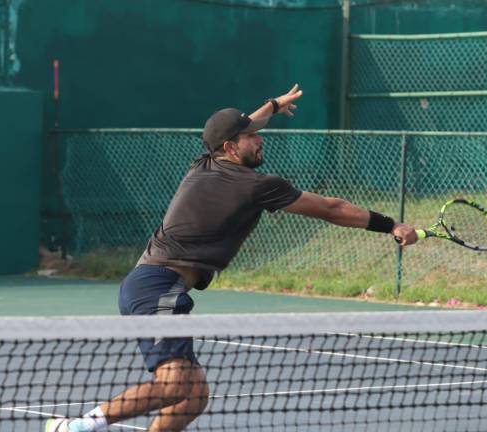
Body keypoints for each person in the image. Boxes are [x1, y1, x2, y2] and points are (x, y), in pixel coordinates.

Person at [44, 84, 418, 432]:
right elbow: (331, 208)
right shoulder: (258, 186)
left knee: (193, 397)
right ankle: (76, 427)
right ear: (229, 148)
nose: (259, 139)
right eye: (251, 137)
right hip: (155, 286)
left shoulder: (203, 163)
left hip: (154, 285)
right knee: (175, 385)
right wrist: (391, 226)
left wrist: (273, 106)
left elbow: (238, 126)